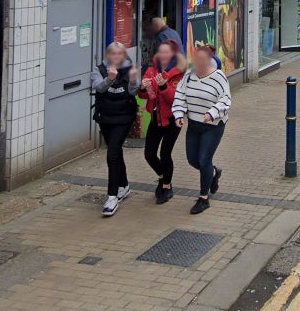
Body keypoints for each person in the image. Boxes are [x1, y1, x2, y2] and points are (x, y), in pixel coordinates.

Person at [173, 44, 232, 214]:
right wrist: (178, 114)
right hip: (194, 124)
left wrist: (212, 113)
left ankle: (203, 198)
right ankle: (213, 173)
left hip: (212, 125)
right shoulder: (189, 76)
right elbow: (180, 94)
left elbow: (225, 100)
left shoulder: (219, 77)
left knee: (204, 159)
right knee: (193, 160)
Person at [92, 42, 138, 216]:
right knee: (116, 152)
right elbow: (99, 88)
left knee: (112, 154)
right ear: (108, 55)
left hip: (124, 117)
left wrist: (133, 80)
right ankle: (124, 185)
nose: (117, 57)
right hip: (105, 117)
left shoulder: (129, 69)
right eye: (113, 54)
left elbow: (133, 92)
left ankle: (112, 196)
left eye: (120, 54)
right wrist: (109, 78)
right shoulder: (99, 70)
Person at [141, 39, 185, 204]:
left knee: (165, 154)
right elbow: (145, 96)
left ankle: (167, 186)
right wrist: (143, 87)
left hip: (173, 120)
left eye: (167, 52)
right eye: (161, 52)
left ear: (173, 54)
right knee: (149, 154)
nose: (163, 55)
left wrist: (164, 87)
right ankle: (162, 176)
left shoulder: (179, 74)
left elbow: (177, 99)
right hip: (156, 119)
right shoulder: (151, 70)